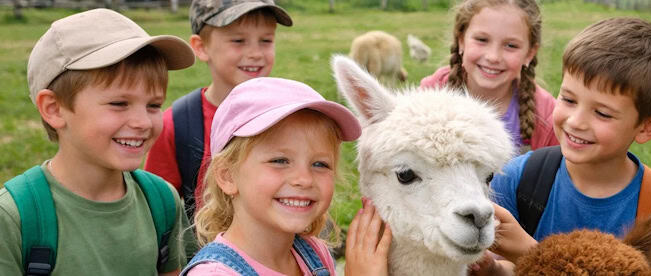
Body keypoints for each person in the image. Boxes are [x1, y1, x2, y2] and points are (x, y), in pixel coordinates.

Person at [484, 18, 651, 272]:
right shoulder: (516, 179)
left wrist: (529, 252)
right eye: (568, 99)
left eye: (602, 113)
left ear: (647, 126)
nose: (576, 121)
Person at [0, 8, 194, 274]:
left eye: (153, 105)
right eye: (119, 103)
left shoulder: (161, 202)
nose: (143, 122)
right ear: (54, 109)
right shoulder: (15, 217)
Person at [183, 77, 391, 275]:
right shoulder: (215, 273)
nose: (304, 179)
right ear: (227, 176)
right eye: (280, 161)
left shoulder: (314, 253)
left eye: (320, 164)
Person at [145, 0, 293, 216]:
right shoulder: (177, 125)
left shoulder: (289, 116)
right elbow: (156, 209)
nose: (255, 53)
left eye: (266, 40)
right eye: (238, 40)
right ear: (201, 47)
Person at [419, 0, 558, 153]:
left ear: (530, 53)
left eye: (511, 45)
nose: (493, 57)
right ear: (461, 40)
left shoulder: (547, 118)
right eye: (482, 40)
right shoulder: (429, 95)